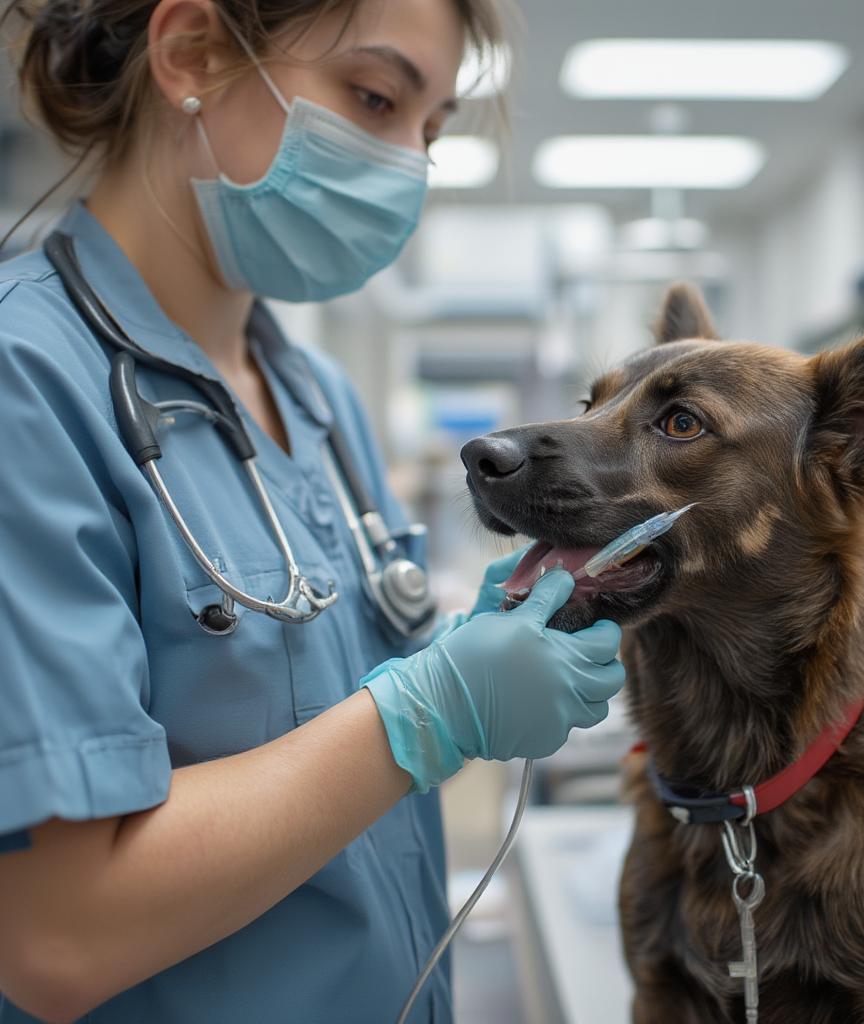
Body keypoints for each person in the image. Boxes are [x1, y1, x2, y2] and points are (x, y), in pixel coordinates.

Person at [0, 0, 626, 1020]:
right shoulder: (26, 383)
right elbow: (58, 936)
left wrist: (468, 656)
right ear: (190, 50)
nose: (407, 167)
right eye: (374, 98)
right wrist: (426, 712)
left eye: (430, 127)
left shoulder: (318, 404)